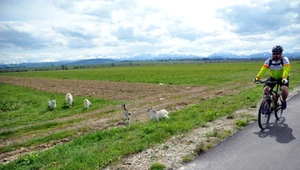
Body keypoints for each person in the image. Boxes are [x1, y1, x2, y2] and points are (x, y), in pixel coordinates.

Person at [254, 45, 291, 109]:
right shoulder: (269, 61)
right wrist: (258, 77)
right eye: (273, 54)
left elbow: (286, 70)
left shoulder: (285, 60)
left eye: (277, 54)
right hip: (273, 78)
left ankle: (283, 101)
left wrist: (284, 78)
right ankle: (267, 106)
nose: (275, 55)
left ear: (281, 54)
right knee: (265, 89)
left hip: (282, 78)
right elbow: (263, 70)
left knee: (284, 90)